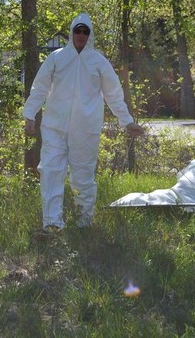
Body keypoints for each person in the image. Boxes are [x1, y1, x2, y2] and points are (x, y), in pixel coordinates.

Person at [23, 13, 144, 231]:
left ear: (90, 34)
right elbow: (39, 87)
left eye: (85, 31)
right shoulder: (56, 58)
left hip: (86, 129)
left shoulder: (99, 62)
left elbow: (113, 95)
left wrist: (127, 121)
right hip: (54, 127)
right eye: (77, 31)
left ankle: (84, 222)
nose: (81, 35)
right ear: (71, 33)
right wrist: (30, 115)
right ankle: (52, 223)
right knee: (50, 171)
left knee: (83, 177)